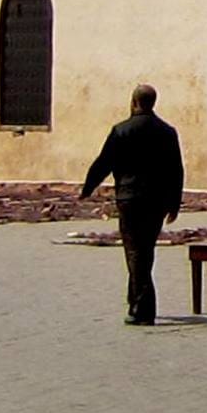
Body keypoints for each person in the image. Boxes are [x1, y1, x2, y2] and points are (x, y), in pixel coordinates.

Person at [78, 85, 185, 325]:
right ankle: (134, 301)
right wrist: (175, 203)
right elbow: (176, 170)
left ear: (134, 102)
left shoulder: (121, 130)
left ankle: (143, 309)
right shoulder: (167, 132)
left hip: (130, 199)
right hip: (157, 200)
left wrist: (87, 188)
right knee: (145, 250)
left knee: (135, 251)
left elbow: (103, 163)